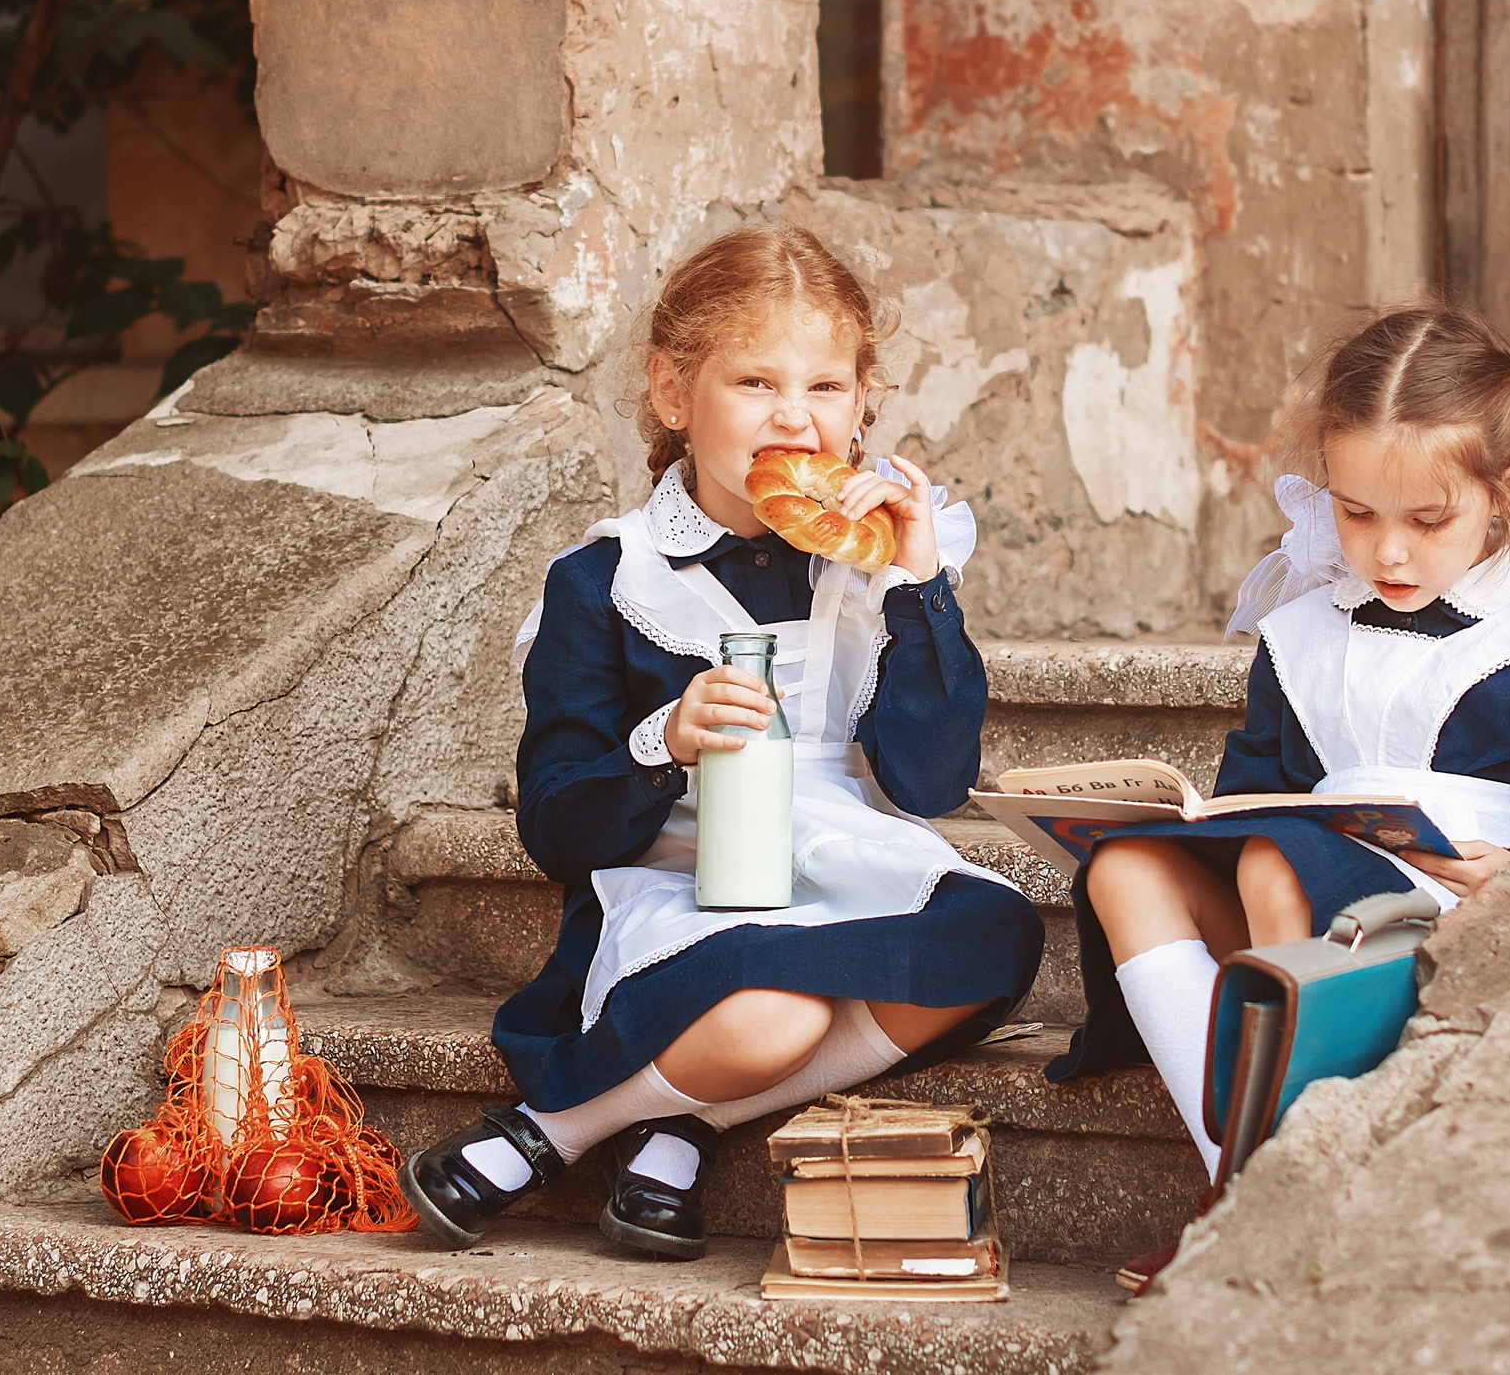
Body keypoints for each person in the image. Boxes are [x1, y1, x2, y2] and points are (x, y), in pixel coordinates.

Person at [402, 222, 1044, 1260]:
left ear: (862, 404)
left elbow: (931, 783)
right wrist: (663, 740)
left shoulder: (879, 566)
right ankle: (556, 1130)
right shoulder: (606, 579)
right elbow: (558, 827)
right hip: (678, 874)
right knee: (773, 1019)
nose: (793, 415)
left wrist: (918, 585)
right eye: (754, 381)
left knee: (993, 938)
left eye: (826, 386)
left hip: (842, 855)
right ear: (672, 393)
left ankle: (661, 1124)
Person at [1049, 306, 1510, 1293]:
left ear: (1506, 490)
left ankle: (1271, 1189)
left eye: (1426, 521)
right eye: (1357, 514)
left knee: (1273, 864)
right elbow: (1249, 802)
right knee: (1129, 868)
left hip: (1451, 914)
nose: (1389, 553)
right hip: (1298, 901)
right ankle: (1250, 1180)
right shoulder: (1301, 634)